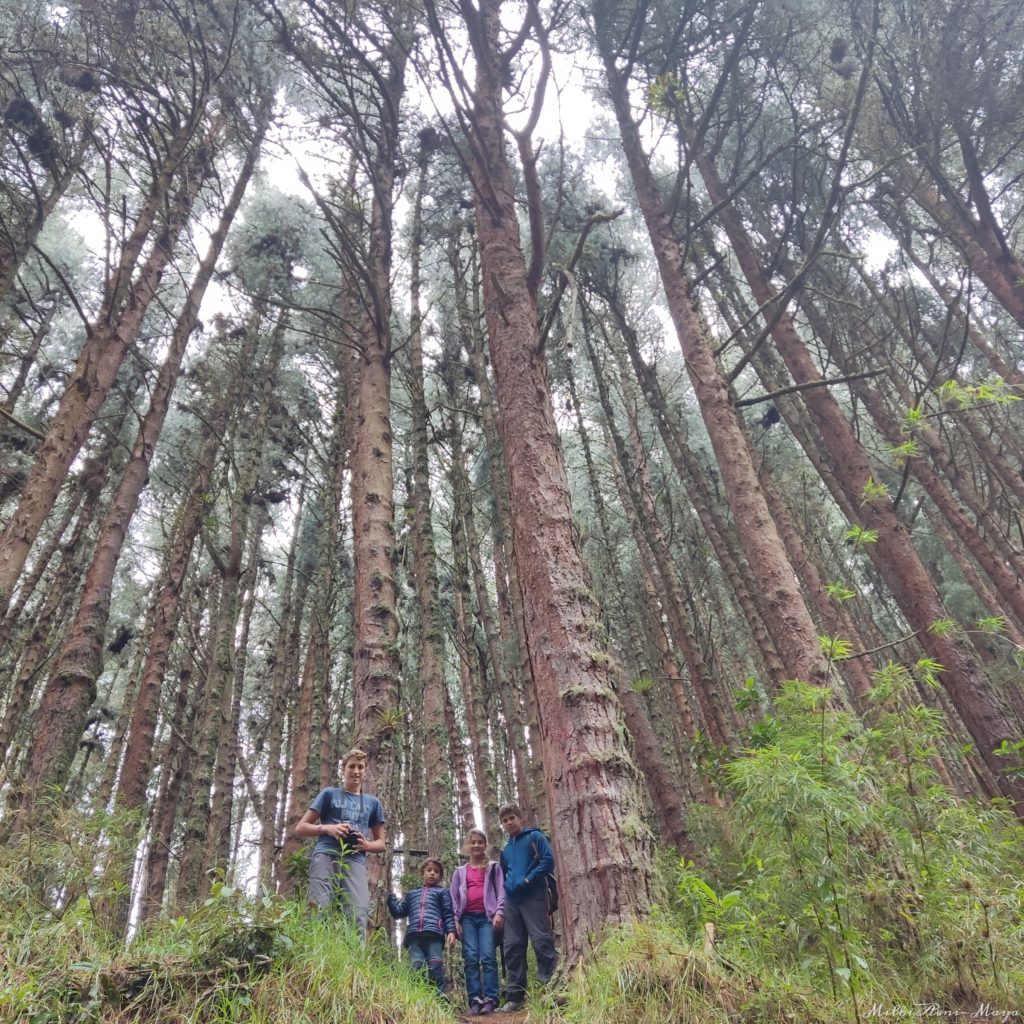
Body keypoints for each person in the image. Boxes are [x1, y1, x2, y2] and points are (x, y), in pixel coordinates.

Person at [295, 748, 386, 935]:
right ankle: (313, 956)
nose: (356, 771)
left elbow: (381, 843)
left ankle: (354, 962)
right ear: (343, 769)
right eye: (351, 766)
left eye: (360, 767)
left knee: (357, 912)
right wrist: (327, 828)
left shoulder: (373, 803)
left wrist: (367, 845)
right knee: (318, 906)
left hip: (355, 859)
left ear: (365, 771)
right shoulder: (329, 794)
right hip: (326, 854)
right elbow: (301, 827)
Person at [494, 805, 558, 1012]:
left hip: (533, 894)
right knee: (512, 945)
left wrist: (529, 879)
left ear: (521, 819)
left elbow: (548, 861)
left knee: (541, 939)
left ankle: (549, 989)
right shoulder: (506, 849)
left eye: (512, 818)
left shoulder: (535, 837)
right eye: (505, 820)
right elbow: (505, 872)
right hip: (512, 900)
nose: (509, 822)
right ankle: (515, 996)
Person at [450, 828, 504, 1015]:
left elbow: (501, 892)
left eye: (480, 842)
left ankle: (490, 998)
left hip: (487, 918)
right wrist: (455, 919)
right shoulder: (460, 872)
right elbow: (454, 898)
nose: (476, 845)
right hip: (468, 919)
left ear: (485, 845)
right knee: (471, 957)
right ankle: (475, 999)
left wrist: (499, 912)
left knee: (488, 956)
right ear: (468, 845)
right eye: (473, 842)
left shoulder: (493, 867)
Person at [387, 858, 457, 996]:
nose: (432, 874)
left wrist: (451, 931)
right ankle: (417, 998)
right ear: (422, 873)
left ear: (440, 876)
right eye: (429, 870)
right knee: (416, 965)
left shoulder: (442, 892)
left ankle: (440, 1000)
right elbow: (399, 912)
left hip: (434, 935)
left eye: (436, 872)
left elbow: (448, 913)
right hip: (414, 936)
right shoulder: (412, 894)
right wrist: (391, 897)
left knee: (435, 966)